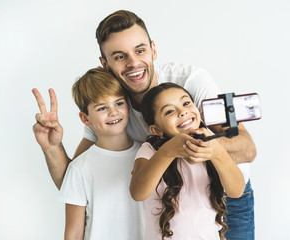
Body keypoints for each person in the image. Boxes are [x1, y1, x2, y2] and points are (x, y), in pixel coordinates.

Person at [32, 10, 257, 240]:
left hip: (222, 197)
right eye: (119, 56)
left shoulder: (190, 82)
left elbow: (247, 148)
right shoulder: (112, 106)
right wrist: (52, 148)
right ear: (105, 64)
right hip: (168, 207)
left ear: (153, 49)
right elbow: (77, 181)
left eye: (140, 50)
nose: (133, 63)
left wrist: (204, 147)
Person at [37, 67, 145, 240]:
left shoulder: (147, 155)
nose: (113, 112)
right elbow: (73, 233)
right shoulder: (80, 167)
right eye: (102, 108)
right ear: (85, 118)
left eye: (119, 103)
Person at [130, 83, 245, 240]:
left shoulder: (211, 145)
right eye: (169, 111)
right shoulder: (150, 151)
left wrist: (218, 154)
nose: (182, 112)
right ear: (156, 130)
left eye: (186, 103)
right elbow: (138, 192)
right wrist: (167, 152)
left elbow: (236, 191)